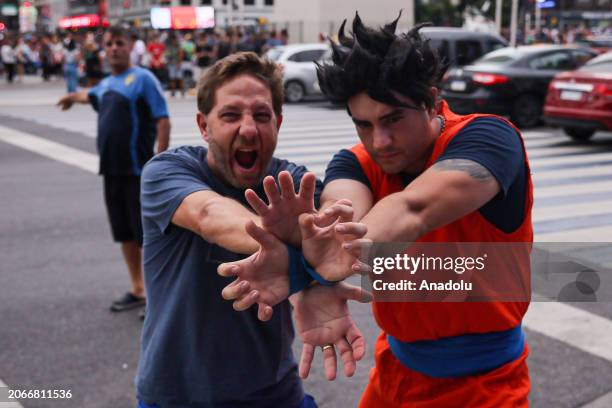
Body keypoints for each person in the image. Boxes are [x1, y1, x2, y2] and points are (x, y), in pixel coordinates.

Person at [220, 13, 534, 407]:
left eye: (393, 119)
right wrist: (307, 268)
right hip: (393, 375)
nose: (380, 140)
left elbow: (412, 209)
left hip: (486, 387)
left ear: (433, 102)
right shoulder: (354, 162)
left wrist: (323, 263)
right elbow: (341, 214)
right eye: (364, 125)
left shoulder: (489, 138)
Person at [135, 51, 369, 407]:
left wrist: (320, 281)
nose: (248, 129)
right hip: (174, 397)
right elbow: (208, 215)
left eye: (262, 116)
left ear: (278, 122)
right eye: (230, 115)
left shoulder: (293, 184)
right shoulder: (168, 170)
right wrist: (292, 248)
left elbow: (332, 242)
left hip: (274, 396)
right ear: (203, 125)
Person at [57, 25, 171, 313]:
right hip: (111, 171)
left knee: (146, 236)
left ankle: (158, 297)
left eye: (119, 43)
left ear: (131, 47)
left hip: (137, 170)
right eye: (109, 44)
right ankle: (138, 288)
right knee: (124, 234)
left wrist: (160, 159)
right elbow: (90, 96)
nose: (114, 48)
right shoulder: (107, 83)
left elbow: (162, 119)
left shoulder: (143, 79)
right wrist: (71, 98)